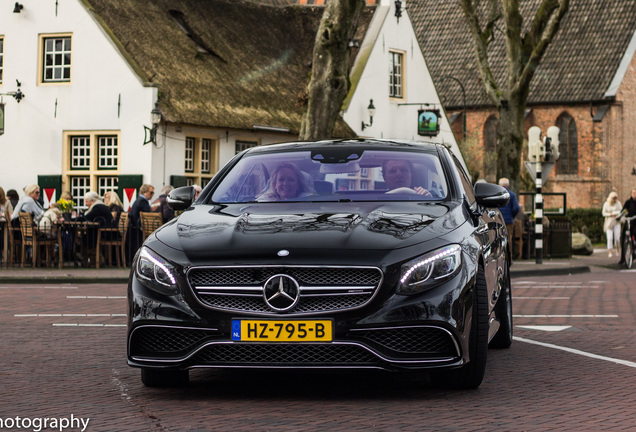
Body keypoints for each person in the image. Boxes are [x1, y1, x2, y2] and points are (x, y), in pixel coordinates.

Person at [498, 177, 521, 254]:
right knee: (508, 239)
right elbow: (516, 208)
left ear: (499, 185)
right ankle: (508, 257)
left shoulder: (496, 195)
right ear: (508, 185)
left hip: (498, 221)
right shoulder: (512, 195)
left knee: (497, 239)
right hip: (508, 221)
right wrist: (512, 216)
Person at [602, 191, 622, 257]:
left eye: (616, 198)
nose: (615, 199)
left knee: (617, 237)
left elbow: (621, 211)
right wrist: (610, 214)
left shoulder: (618, 203)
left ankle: (617, 249)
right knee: (609, 237)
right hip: (609, 222)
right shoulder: (606, 204)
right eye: (614, 198)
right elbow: (603, 213)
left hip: (616, 221)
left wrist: (618, 215)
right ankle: (610, 251)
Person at [619, 188, 636, 264]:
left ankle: (634, 252)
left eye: (635, 193)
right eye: (633, 193)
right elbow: (623, 210)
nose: (634, 194)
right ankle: (623, 258)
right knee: (623, 238)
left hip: (635, 223)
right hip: (628, 222)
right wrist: (620, 216)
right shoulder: (628, 202)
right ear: (631, 194)